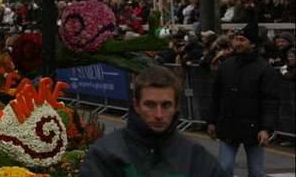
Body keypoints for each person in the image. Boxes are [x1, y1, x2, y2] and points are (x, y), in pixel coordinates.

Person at [80, 66, 223, 176]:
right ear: (136, 105)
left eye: (166, 105)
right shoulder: (105, 154)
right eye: (150, 105)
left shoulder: (197, 157)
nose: (159, 114)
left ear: (176, 106)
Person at [207, 22, 280, 177]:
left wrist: (266, 128)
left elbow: (270, 101)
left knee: (256, 172)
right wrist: (211, 121)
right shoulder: (226, 65)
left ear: (252, 44)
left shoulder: (265, 69)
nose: (237, 43)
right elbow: (216, 96)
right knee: (224, 169)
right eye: (237, 39)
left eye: (242, 40)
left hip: (254, 128)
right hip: (229, 125)